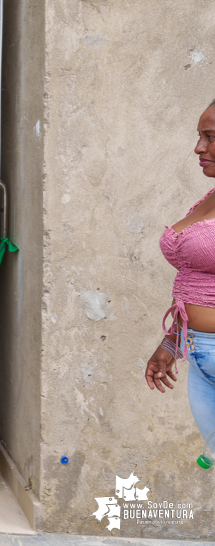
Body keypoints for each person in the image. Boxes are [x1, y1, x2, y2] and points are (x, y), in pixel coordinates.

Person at [146, 99, 215, 453]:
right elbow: (197, 282)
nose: (198, 147)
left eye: (210, 137)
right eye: (200, 136)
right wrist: (172, 341)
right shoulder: (209, 197)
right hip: (200, 360)